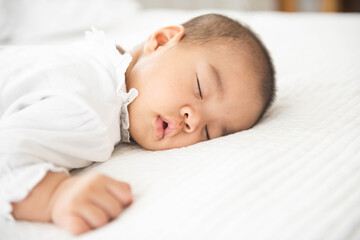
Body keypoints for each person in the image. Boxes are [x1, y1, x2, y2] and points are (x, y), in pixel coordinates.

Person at [0, 13, 275, 235]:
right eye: (200, 88)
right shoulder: (93, 109)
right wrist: (54, 195)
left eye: (210, 132)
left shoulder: (98, 59)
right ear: (162, 39)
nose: (195, 120)